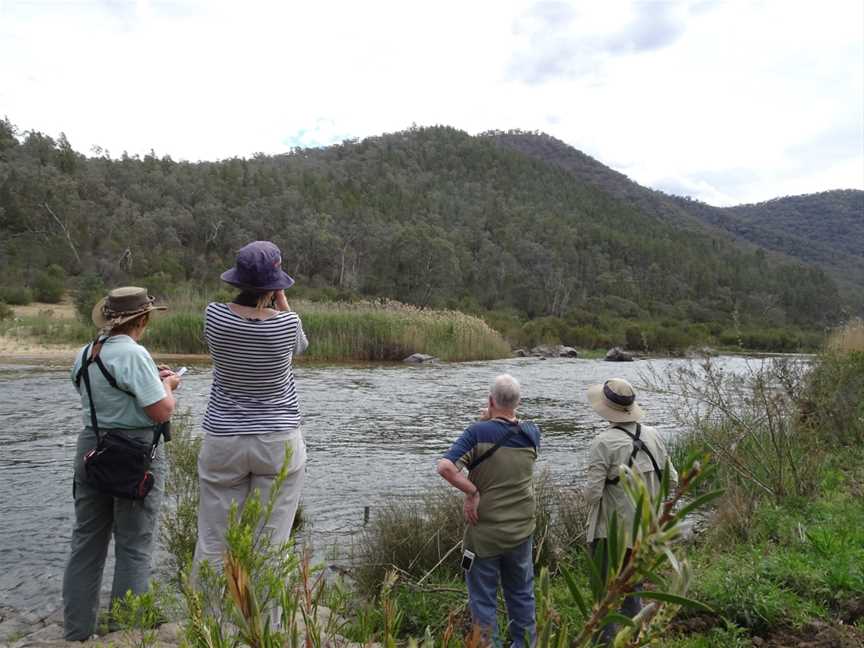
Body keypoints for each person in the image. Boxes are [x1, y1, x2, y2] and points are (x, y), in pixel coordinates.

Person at [63, 286, 181, 641]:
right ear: (142, 319)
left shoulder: (85, 352)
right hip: (134, 454)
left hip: (91, 449)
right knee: (134, 543)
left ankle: (76, 631)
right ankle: (124, 631)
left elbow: (97, 396)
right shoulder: (134, 353)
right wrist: (170, 384)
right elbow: (161, 410)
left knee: (86, 541)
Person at [193, 241, 308, 574]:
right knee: (271, 544)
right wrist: (282, 301)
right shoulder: (288, 324)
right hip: (277, 437)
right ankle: (262, 625)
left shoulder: (214, 316)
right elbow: (301, 346)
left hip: (223, 438)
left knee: (213, 540)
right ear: (274, 285)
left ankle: (210, 622)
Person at [437, 374, 541, 648]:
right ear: (518, 402)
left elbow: (445, 467)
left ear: (490, 400)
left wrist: (472, 491)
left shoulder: (476, 433)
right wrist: (493, 417)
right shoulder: (533, 433)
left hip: (484, 534)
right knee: (521, 594)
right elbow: (508, 429)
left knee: (483, 600)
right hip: (521, 530)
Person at [583, 377, 678, 644]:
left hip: (609, 534)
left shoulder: (602, 443)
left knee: (604, 593)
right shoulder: (655, 435)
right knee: (634, 588)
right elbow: (674, 480)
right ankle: (633, 639)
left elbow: (592, 495)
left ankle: (604, 642)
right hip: (645, 531)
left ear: (605, 408)